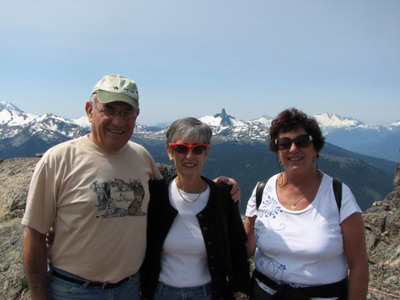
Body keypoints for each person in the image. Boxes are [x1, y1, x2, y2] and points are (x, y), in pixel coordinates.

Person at [22, 74, 241, 300]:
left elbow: (176, 189)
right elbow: (34, 232)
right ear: (90, 110)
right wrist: (38, 294)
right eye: (109, 110)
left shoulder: (141, 157)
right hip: (75, 289)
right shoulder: (59, 159)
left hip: (130, 288)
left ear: (136, 115)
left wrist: (213, 188)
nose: (118, 121)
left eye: (126, 113)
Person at [244, 108, 369, 300]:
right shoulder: (262, 191)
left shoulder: (338, 194)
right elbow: (246, 248)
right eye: (284, 144)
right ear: (277, 151)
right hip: (264, 294)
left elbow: (358, 264)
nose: (293, 149)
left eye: (302, 142)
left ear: (315, 148)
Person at [140, 117, 250, 300]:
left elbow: (238, 250)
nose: (190, 156)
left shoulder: (222, 198)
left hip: (208, 294)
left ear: (206, 153)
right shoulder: (155, 194)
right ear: (170, 151)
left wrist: (242, 291)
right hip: (159, 293)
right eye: (181, 148)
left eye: (198, 149)